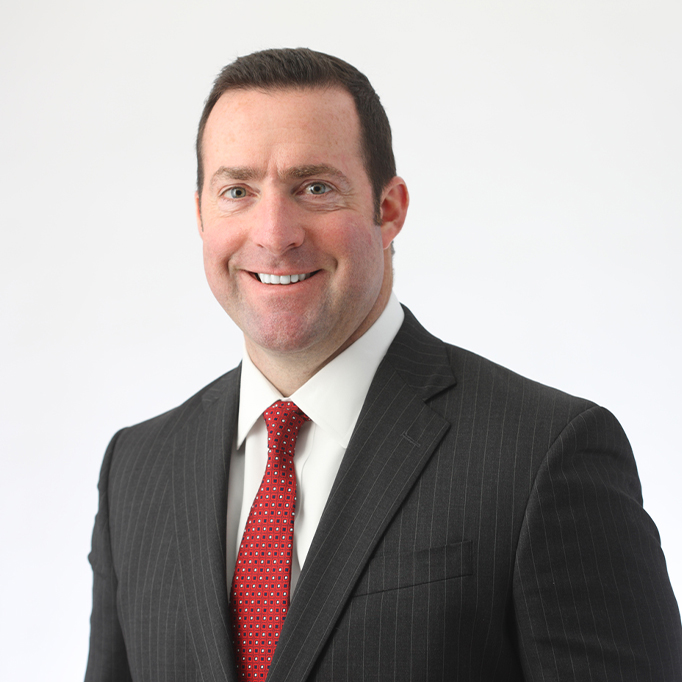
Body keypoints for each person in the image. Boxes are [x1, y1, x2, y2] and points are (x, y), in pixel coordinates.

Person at [85, 48, 682, 682]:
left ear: (389, 209)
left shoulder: (543, 454)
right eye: (238, 191)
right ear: (202, 214)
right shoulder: (136, 470)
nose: (275, 233)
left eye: (316, 188)